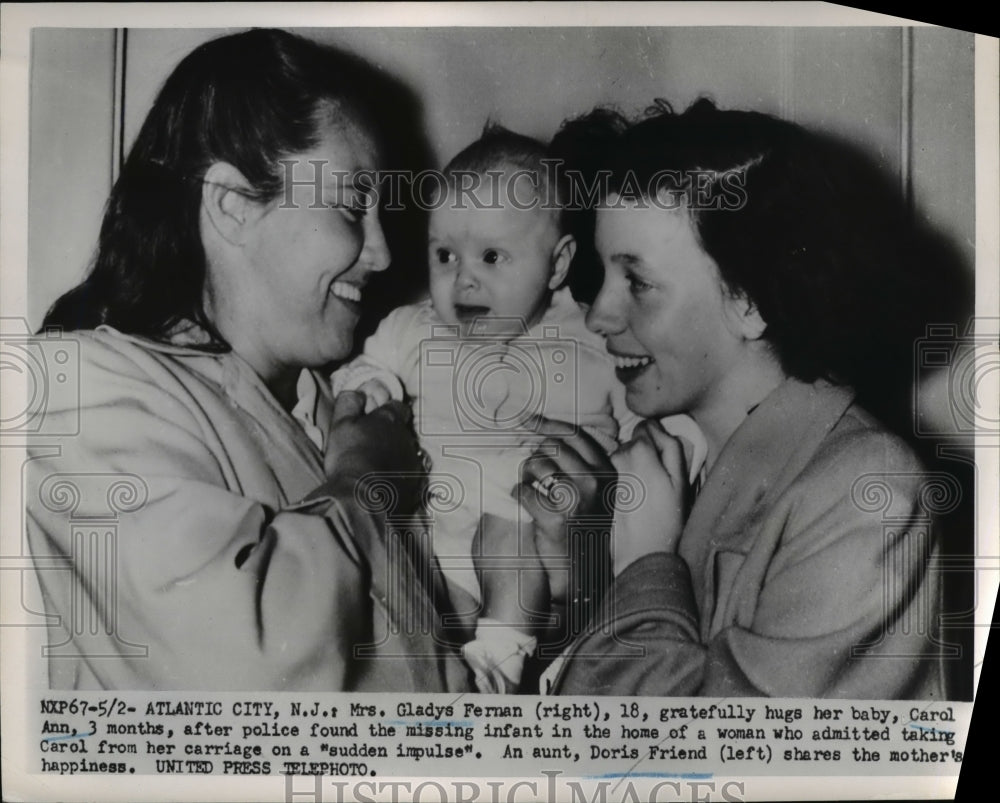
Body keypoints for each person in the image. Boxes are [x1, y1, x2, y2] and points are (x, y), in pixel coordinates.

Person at [25, 29, 472, 691]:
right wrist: (364, 483)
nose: (380, 252)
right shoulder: (76, 390)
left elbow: (433, 687)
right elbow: (241, 665)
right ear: (232, 206)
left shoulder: (338, 407)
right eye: (353, 206)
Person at [517, 99, 949, 698]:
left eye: (637, 283)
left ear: (749, 301)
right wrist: (585, 581)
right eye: (602, 274)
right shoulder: (682, 461)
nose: (598, 315)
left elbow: (712, 762)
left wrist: (645, 566)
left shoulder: (867, 491)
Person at [332, 125, 695, 691]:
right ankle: (454, 675)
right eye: (445, 254)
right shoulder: (412, 329)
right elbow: (363, 373)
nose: (463, 278)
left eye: (492, 256)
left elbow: (648, 430)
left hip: (539, 546)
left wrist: (657, 458)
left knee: (512, 527)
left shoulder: (592, 344)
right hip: (432, 538)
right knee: (395, 568)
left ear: (555, 265)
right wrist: (373, 388)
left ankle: (500, 661)